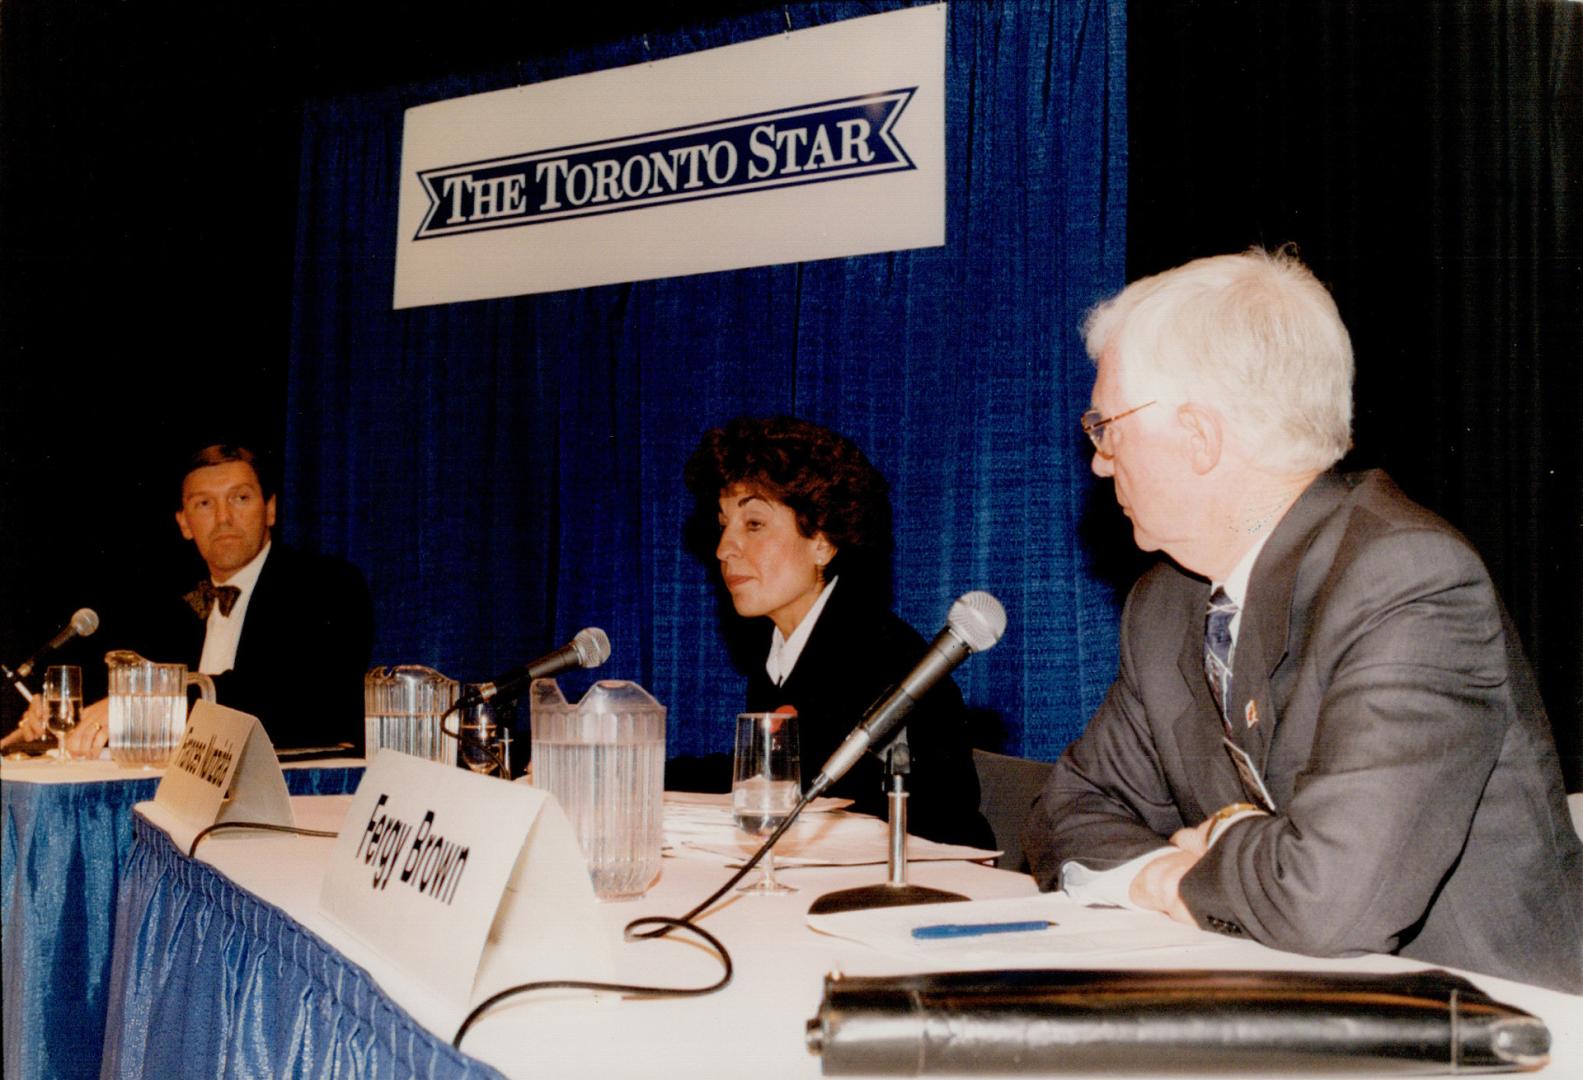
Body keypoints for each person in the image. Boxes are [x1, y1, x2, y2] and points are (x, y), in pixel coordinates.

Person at [1022, 248, 1583, 993]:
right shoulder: (1166, 603)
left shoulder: (1407, 578)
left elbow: (1329, 901)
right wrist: (1166, 874)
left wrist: (1215, 852)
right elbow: (1069, 809)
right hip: (1279, 997)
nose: (1098, 461)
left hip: (1488, 1023)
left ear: (1198, 434)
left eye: (1107, 426)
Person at [678, 416, 993, 849]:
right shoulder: (779, 655)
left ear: (823, 542)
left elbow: (926, 814)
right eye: (723, 524)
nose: (723, 548)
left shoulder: (884, 659)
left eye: (753, 524)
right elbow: (766, 776)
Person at [14, 444, 373, 755]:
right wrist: (64, 715)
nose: (223, 518)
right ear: (185, 524)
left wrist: (147, 707)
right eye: (204, 504)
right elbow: (125, 683)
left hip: (297, 793)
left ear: (271, 509)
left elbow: (290, 696)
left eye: (241, 498)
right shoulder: (173, 600)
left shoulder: (327, 585)